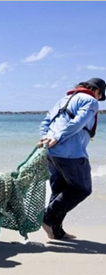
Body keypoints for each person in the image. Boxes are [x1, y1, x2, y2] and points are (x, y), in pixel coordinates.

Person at [39, 77, 105, 241]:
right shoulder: (90, 100)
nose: (99, 99)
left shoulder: (63, 100)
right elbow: (78, 122)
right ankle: (47, 217)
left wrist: (46, 138)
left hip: (51, 152)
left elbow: (46, 122)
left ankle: (56, 231)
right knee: (82, 189)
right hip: (71, 153)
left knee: (59, 190)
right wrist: (59, 137)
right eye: (100, 96)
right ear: (96, 91)